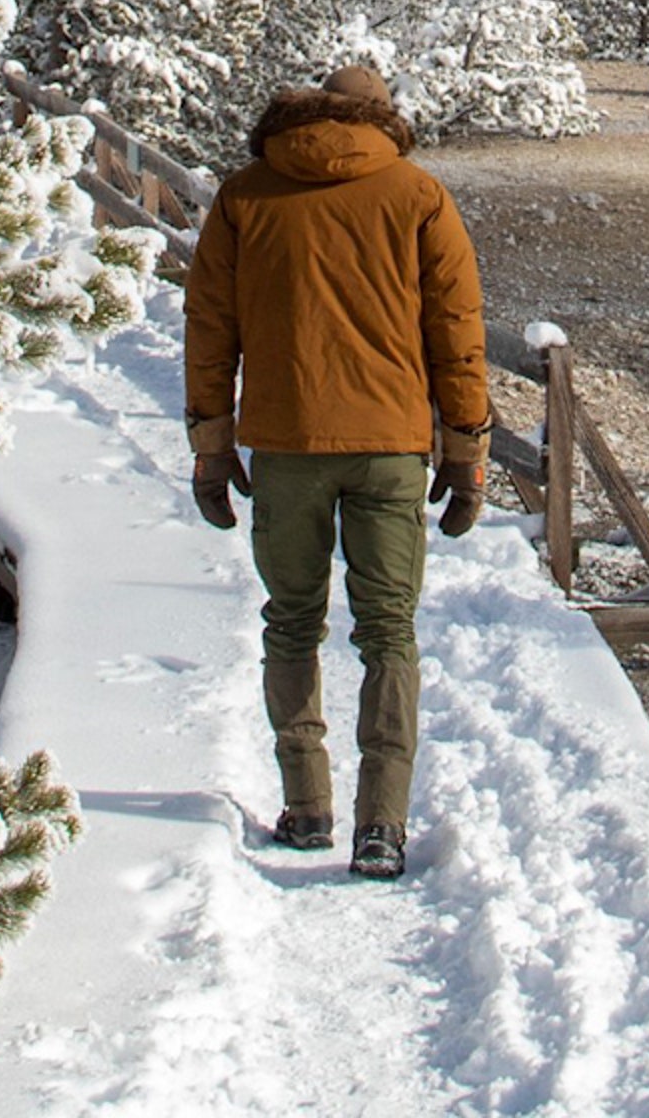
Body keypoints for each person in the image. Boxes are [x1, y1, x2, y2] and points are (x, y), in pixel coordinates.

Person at [184, 62, 490, 880]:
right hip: (390, 448)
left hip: (285, 446)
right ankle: (382, 824)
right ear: (384, 117)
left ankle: (307, 805)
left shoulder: (247, 195)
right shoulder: (418, 196)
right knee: (389, 632)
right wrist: (466, 456)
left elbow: (209, 327)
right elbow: (455, 332)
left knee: (292, 623)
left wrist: (212, 447)